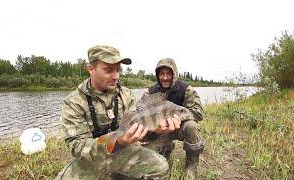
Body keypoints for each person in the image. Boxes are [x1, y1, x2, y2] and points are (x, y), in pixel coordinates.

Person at [55, 45, 175, 180]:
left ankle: (119, 174)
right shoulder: (73, 102)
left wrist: (155, 131)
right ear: (91, 69)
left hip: (123, 153)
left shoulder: (126, 94)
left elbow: (140, 134)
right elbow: (78, 148)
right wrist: (117, 140)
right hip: (92, 160)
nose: (116, 76)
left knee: (160, 167)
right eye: (109, 70)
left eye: (118, 70)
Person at [139, 58, 205, 180]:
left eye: (168, 73)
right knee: (148, 161)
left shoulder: (186, 89)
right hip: (159, 130)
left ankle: (192, 164)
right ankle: (166, 149)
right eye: (161, 74)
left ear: (174, 74)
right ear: (157, 75)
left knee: (192, 126)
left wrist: (179, 117)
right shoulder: (151, 92)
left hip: (180, 128)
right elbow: (140, 111)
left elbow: (199, 113)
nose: (165, 77)